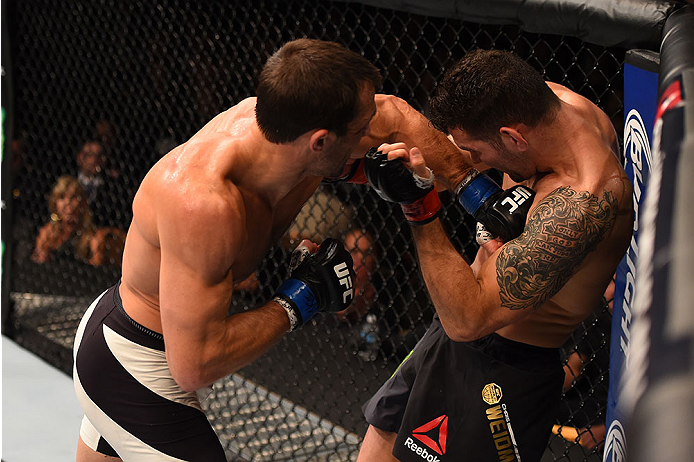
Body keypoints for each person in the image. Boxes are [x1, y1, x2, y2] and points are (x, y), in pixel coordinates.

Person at [72, 38, 381, 462]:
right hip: (134, 362)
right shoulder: (205, 204)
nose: (371, 137)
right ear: (321, 141)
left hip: (131, 333)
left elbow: (393, 117)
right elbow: (195, 365)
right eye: (362, 131)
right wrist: (300, 298)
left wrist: (455, 183)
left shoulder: (277, 130)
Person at [357, 49, 633, 462]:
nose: (471, 163)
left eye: (477, 154)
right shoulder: (545, 105)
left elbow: (469, 318)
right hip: (448, 330)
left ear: (512, 138)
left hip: (503, 369)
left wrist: (419, 205)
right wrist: (367, 168)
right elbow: (405, 119)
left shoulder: (584, 199)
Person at [32, 175, 125, 267]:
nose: (67, 203)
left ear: (82, 203)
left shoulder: (94, 239)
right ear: (55, 203)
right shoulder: (48, 233)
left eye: (73, 197)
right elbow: (36, 263)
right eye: (62, 197)